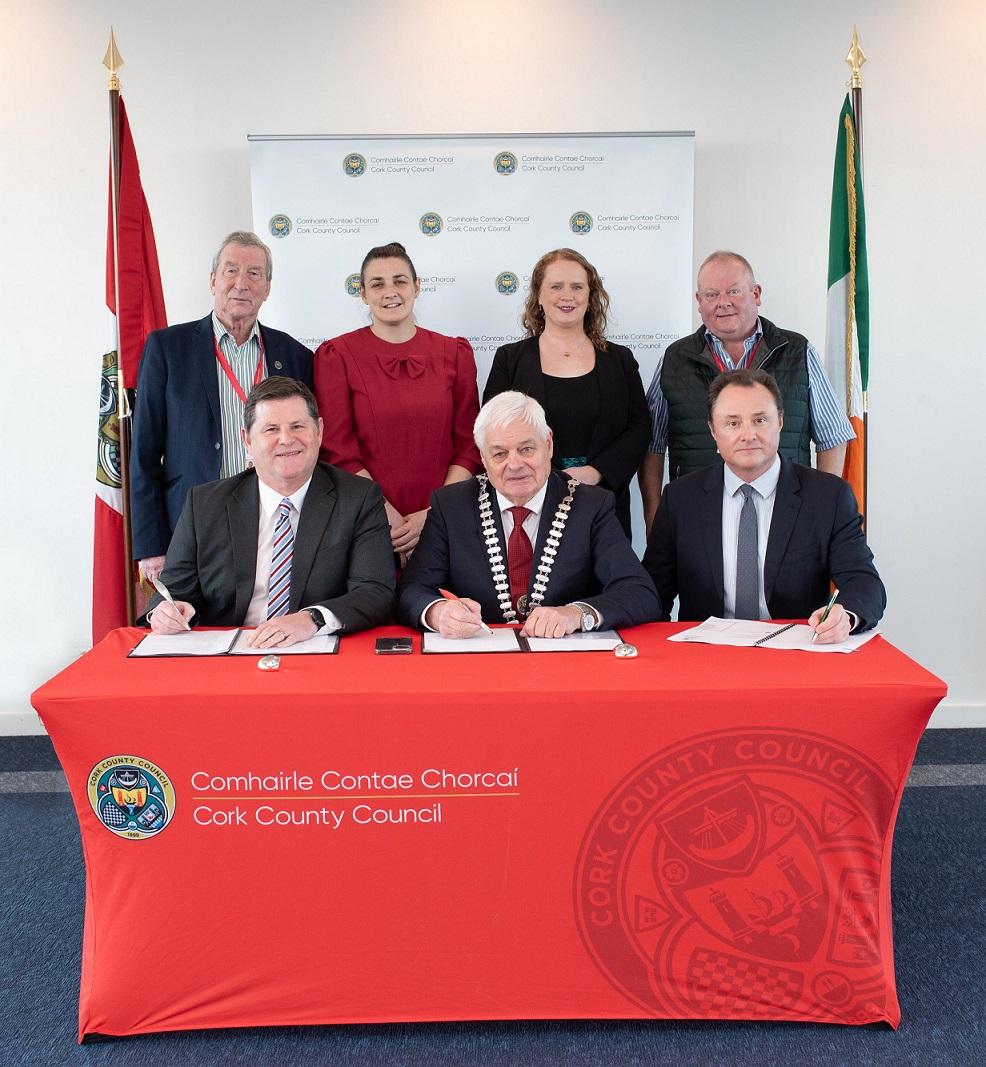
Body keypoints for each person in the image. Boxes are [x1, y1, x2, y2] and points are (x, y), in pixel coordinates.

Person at [146, 377, 394, 647]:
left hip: (317, 649)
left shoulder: (359, 498)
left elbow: (374, 592)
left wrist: (312, 619)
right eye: (271, 429)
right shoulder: (205, 503)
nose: (286, 439)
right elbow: (172, 591)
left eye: (297, 426)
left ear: (319, 431)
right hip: (227, 654)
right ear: (247, 439)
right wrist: (167, 611)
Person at [642, 369, 884, 643]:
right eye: (733, 423)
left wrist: (847, 616)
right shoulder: (680, 499)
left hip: (797, 652)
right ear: (712, 430)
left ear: (780, 421)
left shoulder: (828, 497)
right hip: (705, 655)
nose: (748, 435)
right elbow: (652, 592)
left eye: (760, 420)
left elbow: (864, 583)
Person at [398, 392, 660, 638]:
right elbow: (412, 590)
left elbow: (639, 593)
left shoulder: (591, 505)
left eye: (526, 449)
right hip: (476, 663)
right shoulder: (451, 505)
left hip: (566, 664)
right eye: (500, 453)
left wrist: (575, 615)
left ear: (548, 444)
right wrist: (438, 612)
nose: (514, 465)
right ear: (483, 458)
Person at [131, 231, 314, 583]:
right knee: (192, 633)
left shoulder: (295, 356)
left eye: (254, 273)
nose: (241, 283)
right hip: (191, 531)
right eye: (231, 271)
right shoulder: (168, 349)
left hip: (279, 531)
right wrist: (151, 545)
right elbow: (144, 453)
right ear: (214, 280)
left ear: (268, 287)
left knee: (270, 632)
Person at [639, 250, 854, 531]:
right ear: (698, 301)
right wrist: (654, 518)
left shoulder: (797, 351)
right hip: (698, 518)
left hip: (787, 515)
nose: (722, 303)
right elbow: (652, 447)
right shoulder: (675, 359)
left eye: (733, 291)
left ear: (756, 294)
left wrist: (821, 508)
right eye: (711, 294)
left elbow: (833, 437)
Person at [314, 242, 482, 565]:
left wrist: (434, 515)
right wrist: (390, 520)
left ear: (417, 287)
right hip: (367, 524)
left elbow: (469, 446)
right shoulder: (336, 356)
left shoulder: (455, 353)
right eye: (377, 284)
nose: (390, 291)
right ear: (363, 293)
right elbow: (338, 451)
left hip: (445, 523)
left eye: (400, 280)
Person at [483, 248, 649, 538]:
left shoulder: (619, 360)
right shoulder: (510, 360)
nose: (567, 296)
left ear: (590, 294)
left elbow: (639, 428)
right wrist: (549, 480)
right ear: (538, 295)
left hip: (605, 504)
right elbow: (492, 431)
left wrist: (596, 472)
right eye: (556, 287)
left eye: (576, 286)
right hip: (532, 505)